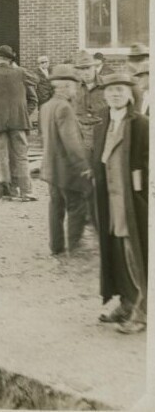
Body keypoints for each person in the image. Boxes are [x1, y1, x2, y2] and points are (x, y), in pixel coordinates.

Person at [92, 73, 148, 335]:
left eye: (120, 90)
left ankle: (143, 312)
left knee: (136, 254)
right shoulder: (102, 123)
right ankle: (127, 304)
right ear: (104, 94)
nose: (115, 94)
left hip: (132, 203)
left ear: (129, 94)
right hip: (109, 202)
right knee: (116, 251)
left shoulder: (141, 125)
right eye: (111, 90)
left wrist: (140, 191)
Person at [39, 64, 92, 256]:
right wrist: (84, 166)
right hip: (67, 170)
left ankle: (56, 246)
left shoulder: (46, 107)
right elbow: (72, 143)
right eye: (74, 86)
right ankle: (75, 247)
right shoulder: (64, 108)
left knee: (56, 207)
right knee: (76, 206)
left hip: (51, 168)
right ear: (65, 86)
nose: (76, 90)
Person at [0, 45, 38, 201]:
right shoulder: (21, 73)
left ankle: (8, 192)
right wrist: (24, 113)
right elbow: (36, 80)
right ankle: (26, 192)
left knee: (2, 158)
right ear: (11, 60)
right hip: (19, 121)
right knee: (21, 157)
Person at [72, 50, 107, 160]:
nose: (86, 72)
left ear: (95, 67)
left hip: (102, 133)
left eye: (88, 68)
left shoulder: (106, 85)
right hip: (81, 134)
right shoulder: (74, 88)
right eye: (82, 69)